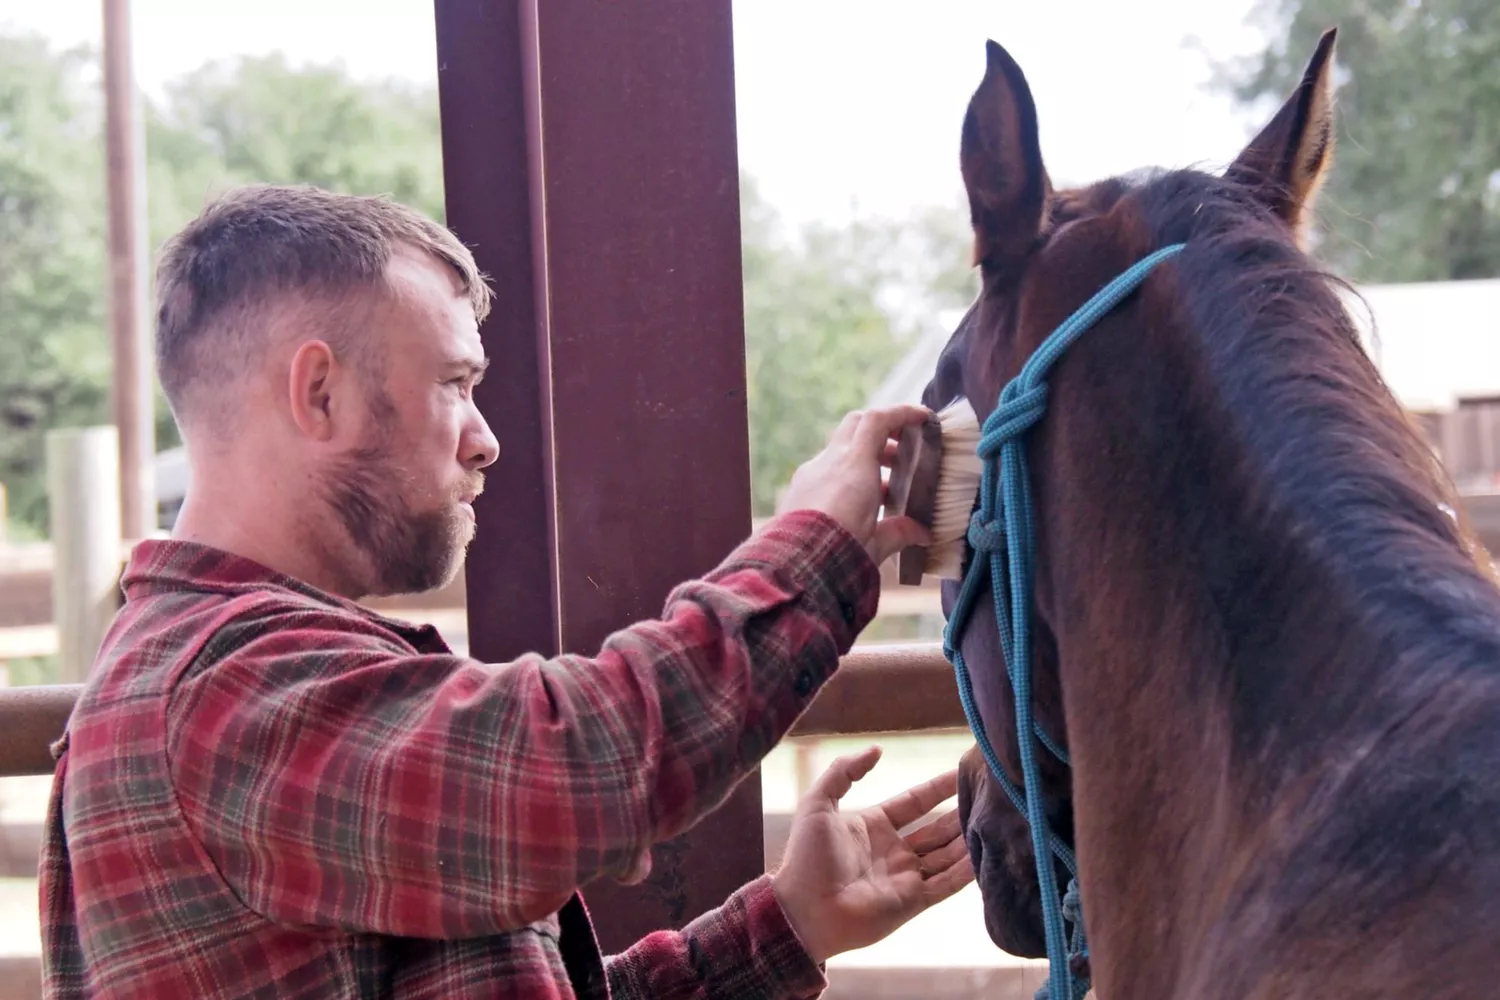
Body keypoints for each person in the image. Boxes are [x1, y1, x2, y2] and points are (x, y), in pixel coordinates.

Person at [36, 184, 973, 999]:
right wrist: (815, 543)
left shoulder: (243, 677)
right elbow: (585, 762)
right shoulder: (226, 692)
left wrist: (789, 926)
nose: (485, 440)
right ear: (318, 392)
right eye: (455, 382)